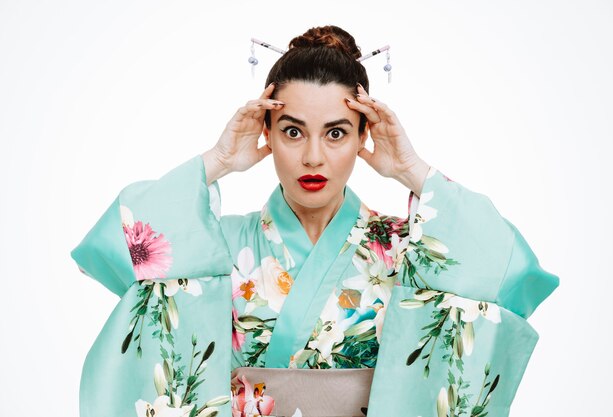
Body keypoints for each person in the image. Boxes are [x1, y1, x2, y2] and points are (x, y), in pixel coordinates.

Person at [71, 25, 559, 417]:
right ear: (266, 132)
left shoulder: (406, 248)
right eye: (292, 131)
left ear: (364, 135)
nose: (312, 156)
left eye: (337, 133)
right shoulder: (219, 243)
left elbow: (508, 272)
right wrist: (216, 160)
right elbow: (115, 250)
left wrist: (413, 171)